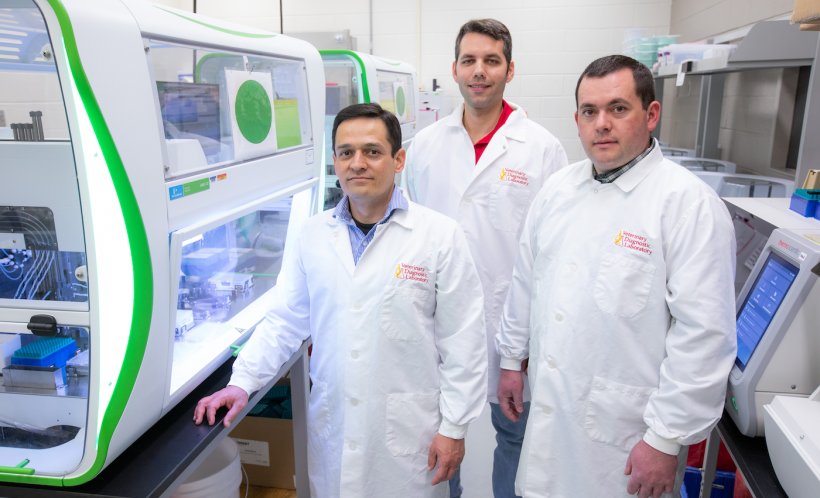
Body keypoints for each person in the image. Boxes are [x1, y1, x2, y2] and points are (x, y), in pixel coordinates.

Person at [194, 103, 487, 498]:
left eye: (372, 151)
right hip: (334, 427)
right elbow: (286, 321)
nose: (358, 163)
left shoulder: (439, 236)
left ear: (398, 160)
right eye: (346, 152)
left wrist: (453, 428)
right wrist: (243, 381)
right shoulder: (313, 235)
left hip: (407, 433)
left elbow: (464, 342)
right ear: (335, 161)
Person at [496, 54, 737, 498]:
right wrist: (511, 361)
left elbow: (703, 337)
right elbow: (526, 281)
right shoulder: (558, 190)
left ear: (651, 114)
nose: (601, 123)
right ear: (577, 119)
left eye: (618, 109)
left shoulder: (687, 205)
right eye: (590, 112)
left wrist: (665, 438)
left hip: (626, 441)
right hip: (552, 422)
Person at [403, 18, 567, 498]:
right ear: (454, 69)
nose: (480, 71)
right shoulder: (426, 146)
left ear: (510, 70)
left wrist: (525, 345)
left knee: (515, 435)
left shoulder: (541, 149)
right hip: (435, 322)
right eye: (469, 61)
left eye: (491, 61)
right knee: (438, 435)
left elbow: (551, 251)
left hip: (509, 325)